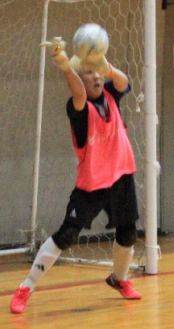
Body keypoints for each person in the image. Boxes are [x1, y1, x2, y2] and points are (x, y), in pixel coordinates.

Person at [10, 24, 142, 314]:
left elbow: (123, 82)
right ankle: (26, 287)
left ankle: (119, 279)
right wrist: (64, 65)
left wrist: (106, 66)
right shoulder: (78, 108)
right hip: (92, 184)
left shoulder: (111, 93)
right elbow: (79, 92)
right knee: (67, 235)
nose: (96, 77)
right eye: (89, 73)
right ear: (79, 78)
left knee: (128, 233)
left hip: (122, 175)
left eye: (96, 73)